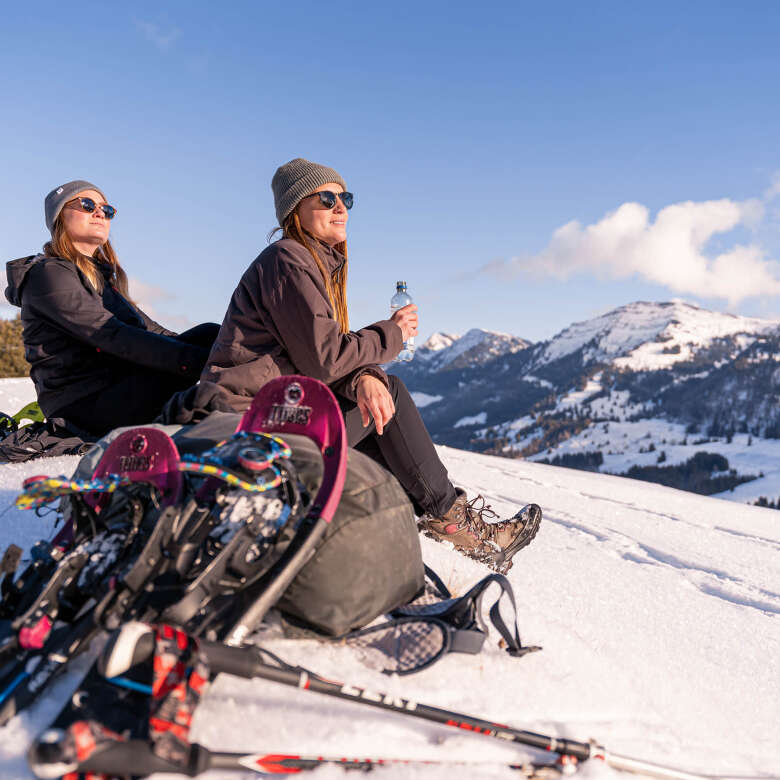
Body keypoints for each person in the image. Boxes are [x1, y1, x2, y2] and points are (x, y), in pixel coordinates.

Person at [203, 158, 540, 572]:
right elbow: (326, 360)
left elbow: (314, 358)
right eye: (326, 198)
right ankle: (456, 526)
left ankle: (428, 517)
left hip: (271, 417)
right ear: (296, 209)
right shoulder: (288, 260)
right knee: (391, 393)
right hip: (252, 427)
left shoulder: (307, 264)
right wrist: (391, 334)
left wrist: (364, 376)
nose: (340, 206)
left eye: (345, 197)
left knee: (379, 395)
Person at [5, 180, 219, 438]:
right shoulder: (48, 274)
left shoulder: (101, 279)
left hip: (117, 387)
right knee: (206, 365)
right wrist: (197, 361)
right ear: (59, 217)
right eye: (87, 205)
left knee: (212, 334)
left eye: (106, 210)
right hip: (83, 403)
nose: (99, 213)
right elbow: (110, 335)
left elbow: (153, 331)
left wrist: (218, 351)